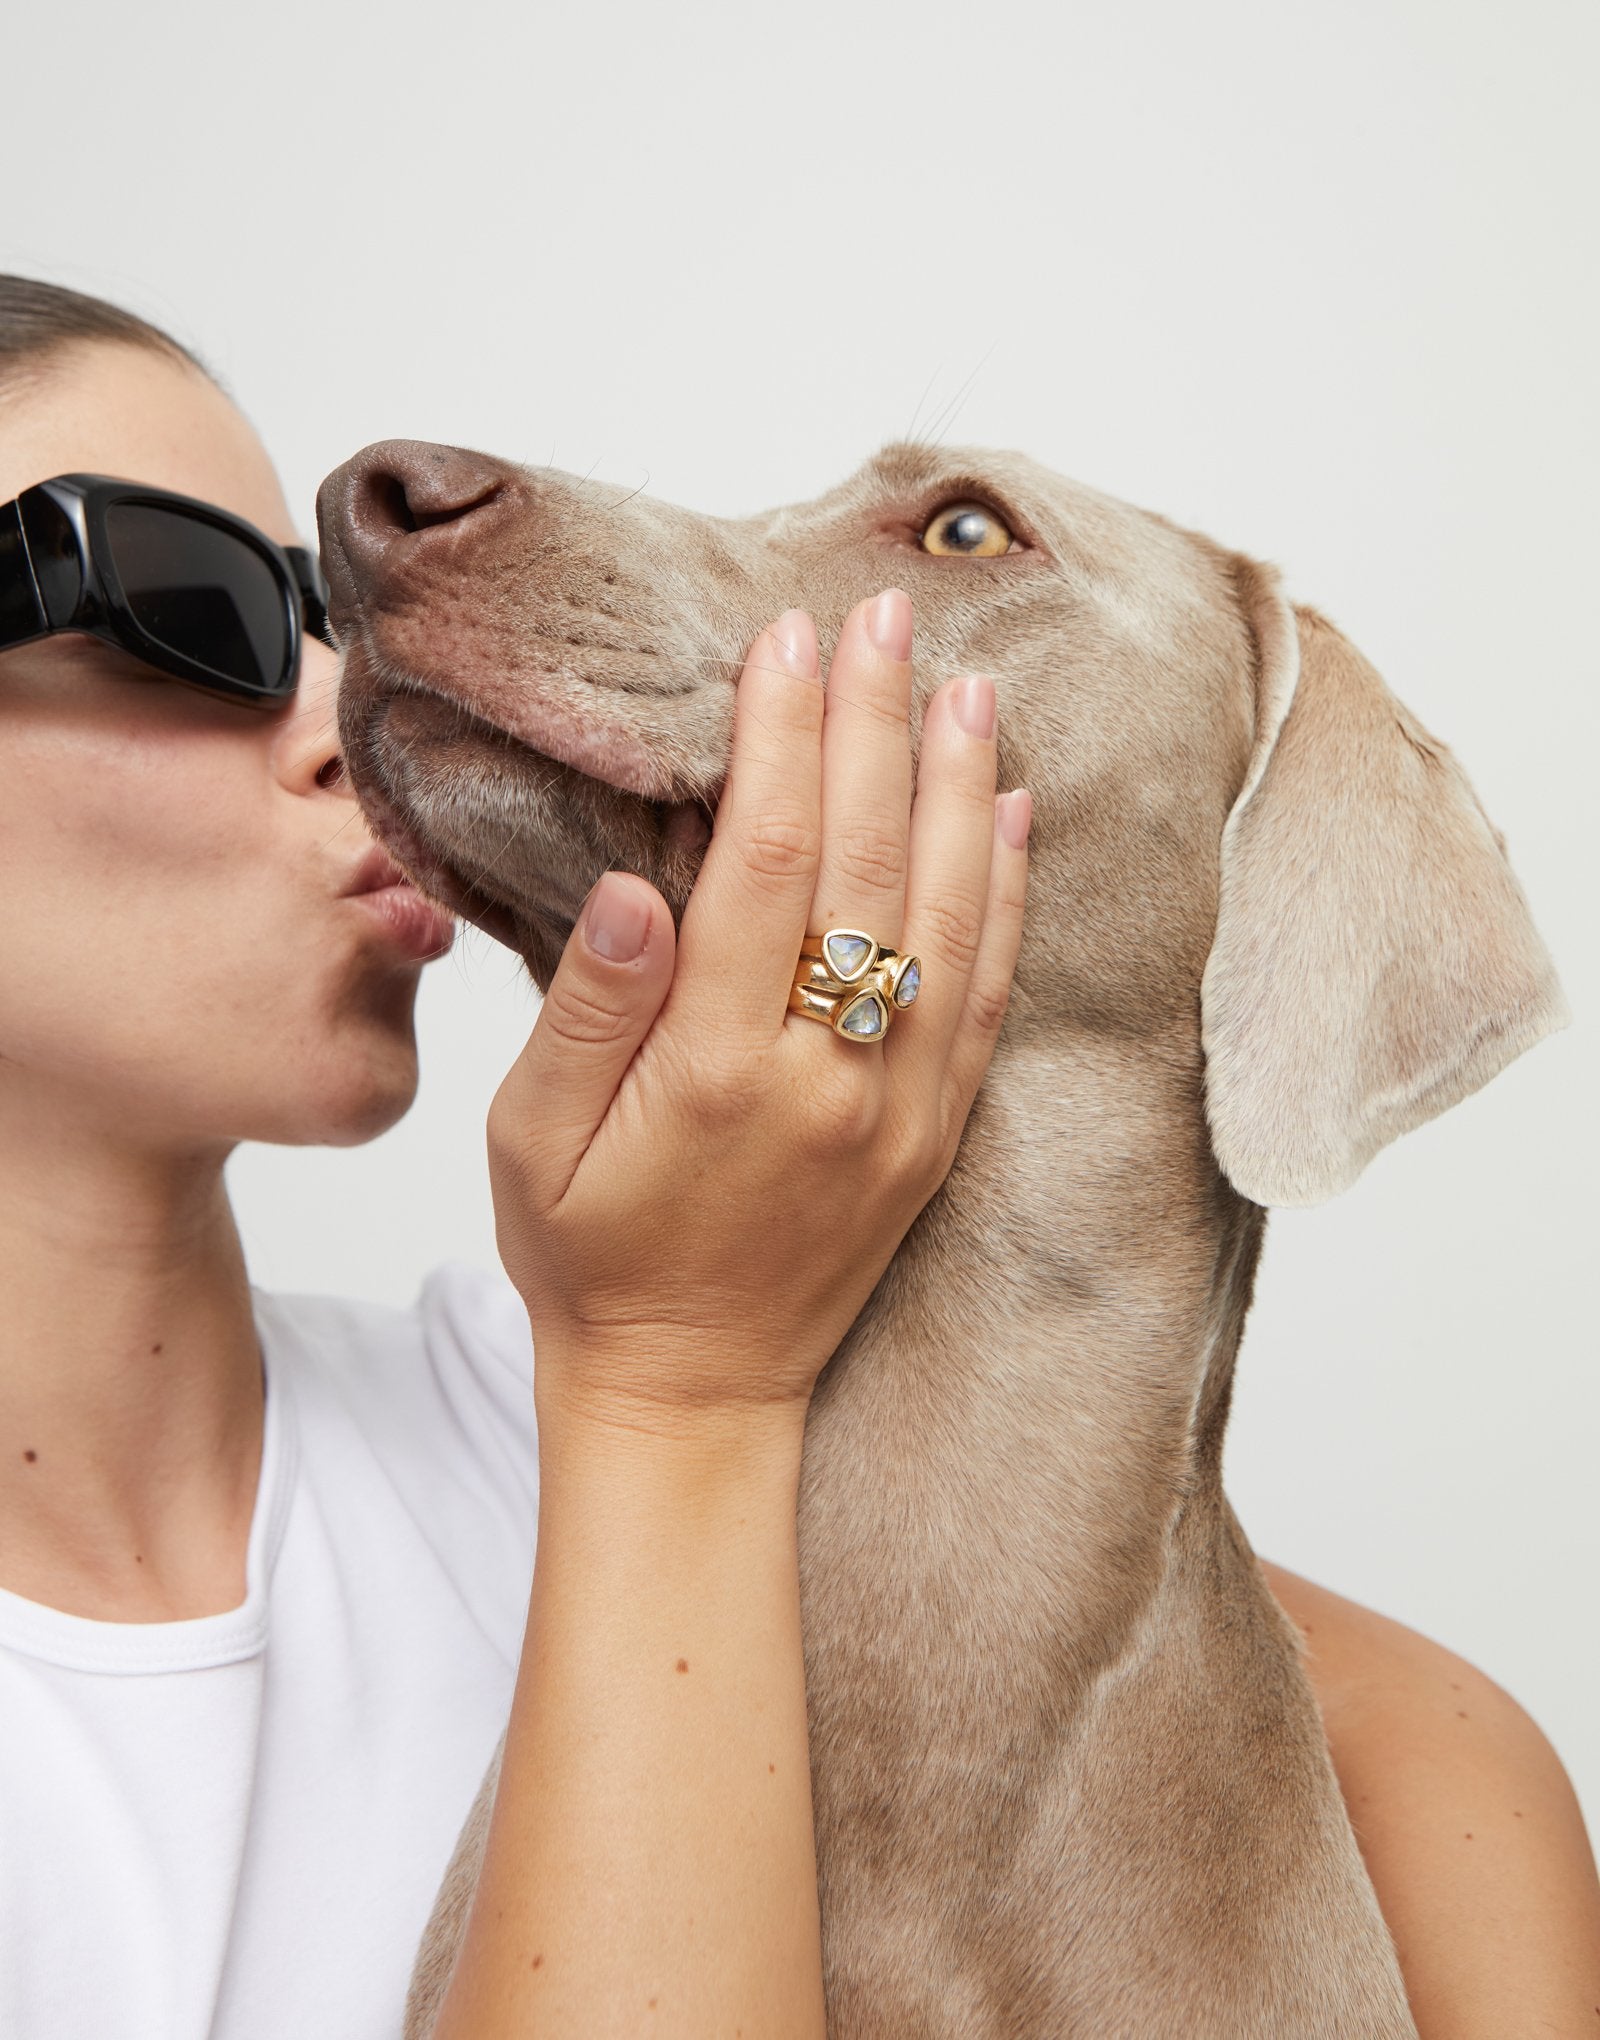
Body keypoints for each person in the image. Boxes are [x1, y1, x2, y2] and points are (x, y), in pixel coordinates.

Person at [0, 278, 1593, 2039]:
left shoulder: (507, 1402)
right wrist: (672, 1387)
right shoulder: (641, 1364)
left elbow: (1155, 1631)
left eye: (305, 608)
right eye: (172, 604)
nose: (338, 670)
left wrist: (822, 1065)